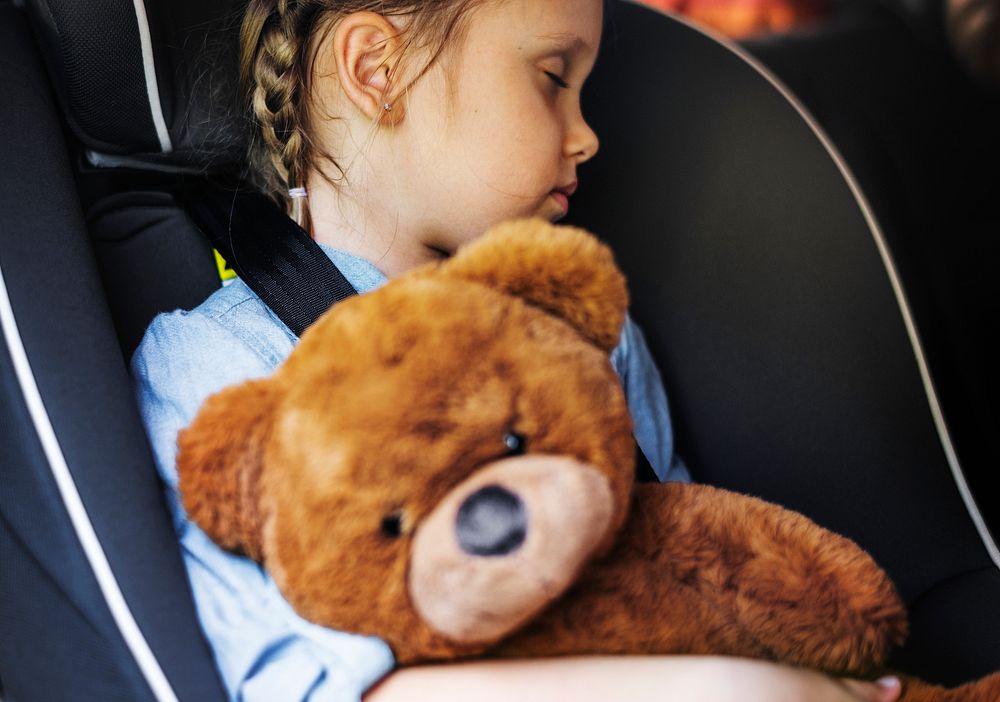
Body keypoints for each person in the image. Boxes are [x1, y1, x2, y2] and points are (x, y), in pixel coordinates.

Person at [131, 0, 903, 700]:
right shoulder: (216, 366)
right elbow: (301, 686)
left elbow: (675, 548)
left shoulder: (572, 323)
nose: (588, 134)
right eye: (552, 77)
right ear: (378, 71)